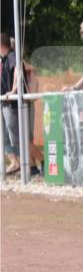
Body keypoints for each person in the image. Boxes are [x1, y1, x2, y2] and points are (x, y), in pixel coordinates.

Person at [1, 33, 42, 176]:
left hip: (16, 104)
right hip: (12, 104)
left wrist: (13, 90)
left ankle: (43, 162)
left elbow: (19, 72)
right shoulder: (8, 58)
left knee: (22, 139)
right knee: (19, 140)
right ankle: (31, 166)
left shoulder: (13, 57)